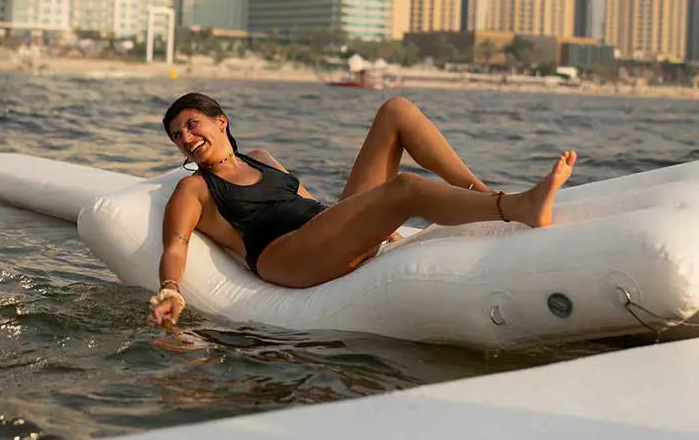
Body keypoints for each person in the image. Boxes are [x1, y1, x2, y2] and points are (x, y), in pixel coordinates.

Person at [150, 92, 577, 327]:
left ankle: (483, 194)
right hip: (286, 257)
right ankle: (519, 207)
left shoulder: (261, 157)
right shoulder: (194, 189)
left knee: (396, 111)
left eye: (191, 124)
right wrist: (171, 288)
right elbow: (176, 243)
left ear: (221, 121)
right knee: (405, 188)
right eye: (176, 136)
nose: (186, 138)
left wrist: (367, 223)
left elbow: (308, 205)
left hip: (319, 234)